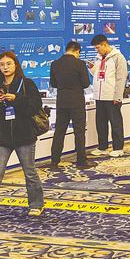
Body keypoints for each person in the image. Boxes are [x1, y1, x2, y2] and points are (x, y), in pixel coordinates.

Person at [0, 51, 44, 227]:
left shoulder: (26, 83)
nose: (5, 67)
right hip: (2, 138)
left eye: (9, 64)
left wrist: (16, 99)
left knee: (30, 173)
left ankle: (36, 204)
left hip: (24, 136)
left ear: (15, 65)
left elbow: (34, 107)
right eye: (2, 64)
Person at [49, 41, 95, 169]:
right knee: (79, 132)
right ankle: (81, 160)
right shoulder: (80, 64)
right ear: (77, 51)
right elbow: (86, 84)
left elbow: (53, 83)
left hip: (62, 101)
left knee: (59, 131)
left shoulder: (55, 64)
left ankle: (54, 160)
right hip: (76, 101)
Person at [87, 34, 128, 158]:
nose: (97, 50)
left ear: (105, 44)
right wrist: (92, 69)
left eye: (98, 47)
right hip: (99, 96)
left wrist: (118, 96)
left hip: (112, 97)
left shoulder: (118, 57)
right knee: (101, 123)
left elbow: (121, 78)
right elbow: (99, 74)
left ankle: (118, 148)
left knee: (115, 123)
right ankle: (102, 147)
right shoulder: (98, 58)